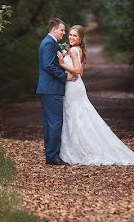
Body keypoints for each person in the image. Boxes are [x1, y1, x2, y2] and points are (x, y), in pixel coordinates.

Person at [56, 24, 134, 166]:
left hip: (73, 87)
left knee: (76, 116)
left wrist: (62, 63)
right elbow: (81, 73)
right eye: (70, 35)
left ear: (81, 38)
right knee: (80, 116)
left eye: (74, 35)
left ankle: (79, 149)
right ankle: (78, 147)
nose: (71, 37)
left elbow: (77, 71)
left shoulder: (73, 51)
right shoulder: (78, 50)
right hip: (76, 86)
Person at [35, 17, 76, 165]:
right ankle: (53, 156)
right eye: (62, 30)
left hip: (48, 88)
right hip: (51, 88)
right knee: (55, 123)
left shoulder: (50, 43)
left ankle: (50, 155)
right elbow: (48, 65)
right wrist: (65, 76)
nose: (64, 33)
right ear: (53, 29)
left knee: (49, 123)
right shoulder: (49, 43)